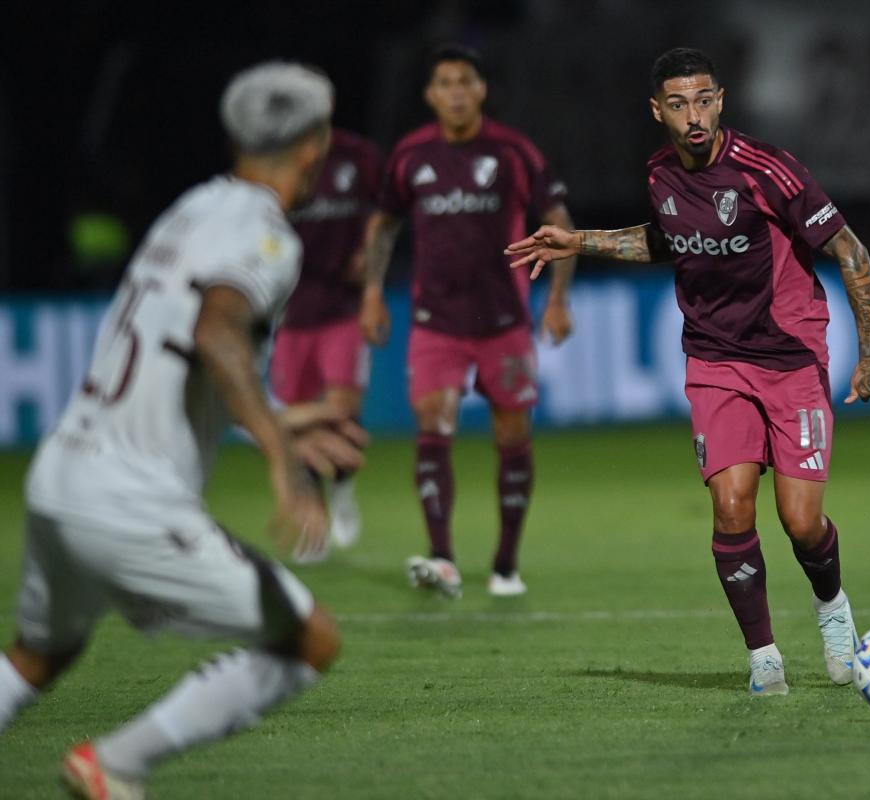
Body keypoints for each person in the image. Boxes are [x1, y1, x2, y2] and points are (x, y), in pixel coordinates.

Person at [0, 62, 356, 797]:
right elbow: (216, 330)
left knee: (39, 655)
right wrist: (279, 453)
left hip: (61, 474)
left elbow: (174, 352)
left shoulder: (191, 208)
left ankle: (113, 766)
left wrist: (278, 416)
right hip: (127, 499)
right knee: (310, 639)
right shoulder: (267, 237)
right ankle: (116, 763)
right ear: (315, 145)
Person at [506, 48, 870, 696]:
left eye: (705, 99)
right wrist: (581, 241)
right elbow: (664, 239)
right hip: (715, 359)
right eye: (680, 103)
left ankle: (832, 608)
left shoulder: (768, 171)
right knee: (731, 506)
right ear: (657, 110)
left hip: (791, 358)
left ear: (721, 101)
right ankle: (763, 655)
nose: (695, 116)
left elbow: (850, 251)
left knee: (801, 522)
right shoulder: (660, 173)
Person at [359, 44, 576, 599]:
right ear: (430, 95)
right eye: (444, 83)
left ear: (480, 90)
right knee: (432, 426)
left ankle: (505, 563)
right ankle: (443, 558)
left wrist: (557, 300)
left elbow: (559, 223)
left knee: (512, 433)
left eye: (465, 81)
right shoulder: (410, 155)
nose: (455, 91)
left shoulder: (512, 152)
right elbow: (383, 226)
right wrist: (371, 292)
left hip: (502, 320)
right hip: (435, 321)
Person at [270, 127, 381, 560]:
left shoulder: (359, 156)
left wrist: (370, 252)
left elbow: (389, 208)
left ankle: (342, 491)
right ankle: (311, 515)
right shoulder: (279, 160)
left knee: (341, 412)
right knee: (297, 421)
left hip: (342, 309)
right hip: (291, 314)